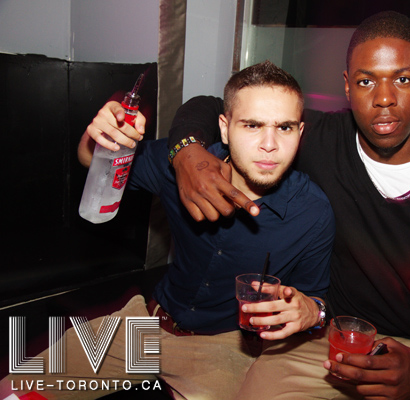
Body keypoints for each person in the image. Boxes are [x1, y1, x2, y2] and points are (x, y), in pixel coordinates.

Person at [165, 11, 410, 400]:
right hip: (323, 343)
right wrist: (187, 153)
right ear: (347, 87)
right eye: (367, 81)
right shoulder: (317, 140)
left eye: (402, 79)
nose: (384, 98)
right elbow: (213, 107)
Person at [0, 61, 335, 400]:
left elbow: (314, 300)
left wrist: (312, 311)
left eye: (284, 127)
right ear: (224, 128)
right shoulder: (186, 168)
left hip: (225, 349)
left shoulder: (313, 212)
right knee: (14, 391)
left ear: (300, 133)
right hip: (146, 324)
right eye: (252, 125)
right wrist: (100, 135)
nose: (269, 144)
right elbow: (93, 160)